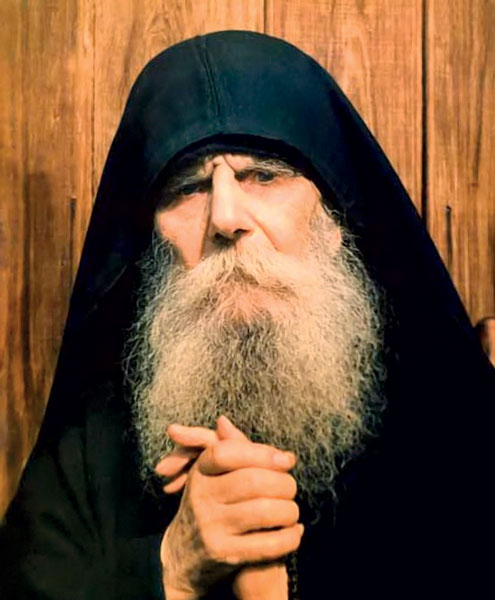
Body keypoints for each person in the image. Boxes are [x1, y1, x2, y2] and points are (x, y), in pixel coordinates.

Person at [1, 30, 494, 600]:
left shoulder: (445, 425)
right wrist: (172, 568)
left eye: (263, 176)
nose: (225, 217)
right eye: (189, 187)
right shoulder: (89, 451)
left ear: (332, 217)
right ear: (153, 239)